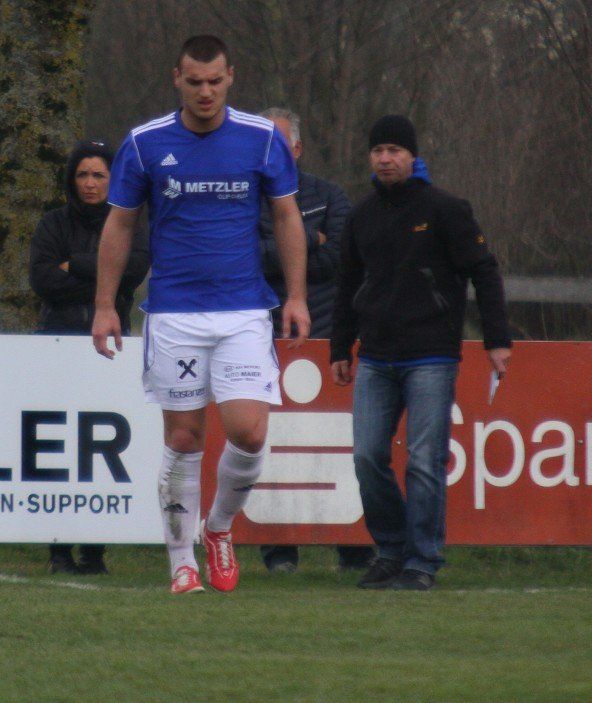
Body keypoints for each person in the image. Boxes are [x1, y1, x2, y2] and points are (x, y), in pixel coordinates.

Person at [92, 35, 310, 594]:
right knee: (185, 438)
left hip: (244, 310)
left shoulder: (262, 139)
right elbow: (119, 224)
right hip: (175, 313)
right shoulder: (145, 143)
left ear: (230, 76)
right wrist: (105, 306)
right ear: (177, 79)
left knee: (249, 432)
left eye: (215, 81)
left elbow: (287, 218)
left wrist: (296, 296)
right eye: (195, 82)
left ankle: (218, 527)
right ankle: (181, 560)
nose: (206, 92)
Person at [330, 114, 512, 591]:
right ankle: (391, 551)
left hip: (431, 354)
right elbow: (348, 282)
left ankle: (422, 561)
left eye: (394, 150)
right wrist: (339, 347)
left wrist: (497, 339)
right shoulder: (361, 215)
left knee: (424, 460)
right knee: (367, 457)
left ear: (413, 156)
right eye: (377, 151)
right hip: (374, 356)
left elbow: (484, 271)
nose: (385, 159)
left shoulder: (446, 209)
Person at [255, 107, 376, 574]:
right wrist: (310, 240)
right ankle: (279, 549)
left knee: (340, 447)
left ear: (298, 149)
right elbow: (246, 258)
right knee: (272, 446)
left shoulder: (330, 194)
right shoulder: (242, 198)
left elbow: (343, 259)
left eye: (279, 144)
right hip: (263, 339)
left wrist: (286, 250)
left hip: (328, 337)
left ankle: (354, 548)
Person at [29, 138, 150, 575]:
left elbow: (132, 273)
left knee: (103, 447)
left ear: (113, 179)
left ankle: (95, 550)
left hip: (110, 348)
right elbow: (43, 280)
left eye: (99, 175)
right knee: (57, 444)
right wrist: (102, 273)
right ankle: (58, 549)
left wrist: (73, 265)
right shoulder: (52, 224)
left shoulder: (131, 222)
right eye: (82, 174)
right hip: (57, 343)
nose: (90, 183)